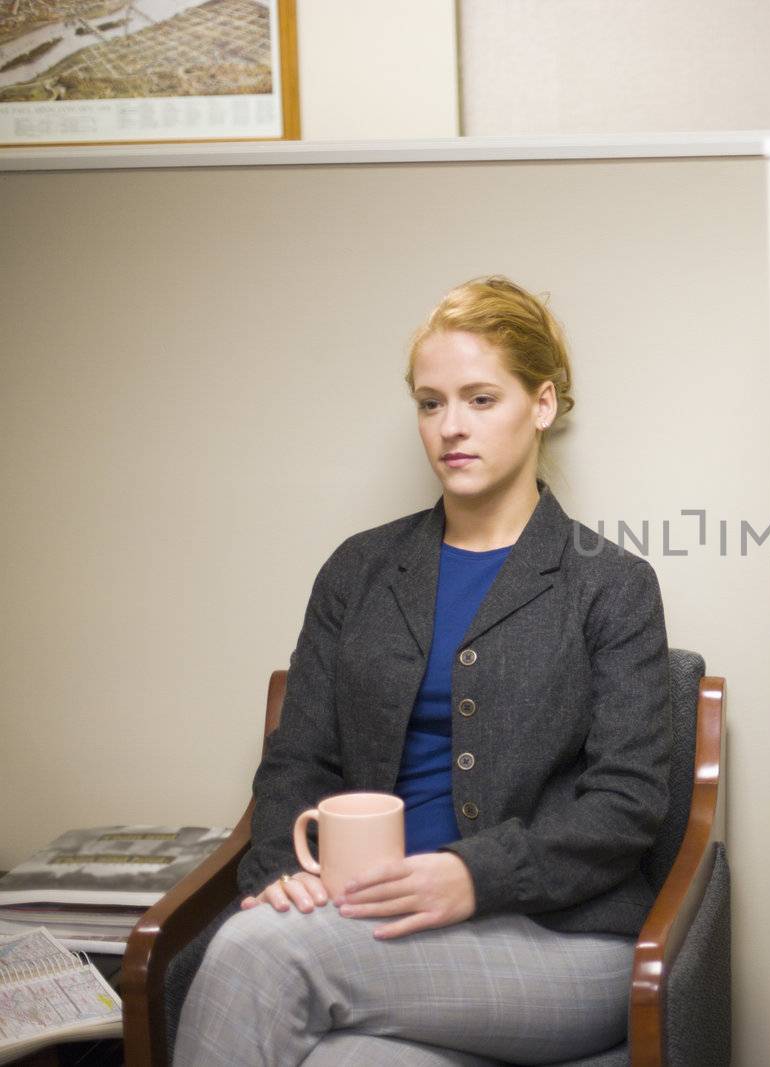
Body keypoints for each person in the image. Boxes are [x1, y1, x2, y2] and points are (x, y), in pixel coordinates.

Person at [174, 276, 672, 1066]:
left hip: (564, 944)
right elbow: (298, 757)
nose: (450, 427)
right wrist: (279, 869)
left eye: (480, 398)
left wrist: (472, 875)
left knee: (255, 953)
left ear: (541, 404)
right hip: (372, 925)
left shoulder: (610, 584)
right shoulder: (360, 570)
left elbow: (628, 804)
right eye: (430, 403)